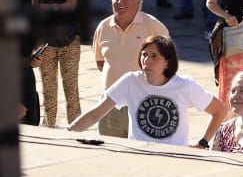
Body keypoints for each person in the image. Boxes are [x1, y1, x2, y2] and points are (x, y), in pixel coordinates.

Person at [70, 35, 228, 147]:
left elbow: (219, 111)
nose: (147, 60)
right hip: (139, 155)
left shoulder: (186, 85)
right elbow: (95, 114)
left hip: (176, 159)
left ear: (167, 62)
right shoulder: (130, 81)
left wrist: (203, 143)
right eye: (144, 55)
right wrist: (67, 133)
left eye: (154, 56)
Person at [90, 0, 170, 138]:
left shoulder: (153, 26)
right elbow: (100, 62)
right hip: (110, 103)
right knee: (110, 150)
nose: (120, 2)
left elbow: (169, 62)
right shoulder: (103, 26)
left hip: (143, 103)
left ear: (138, 3)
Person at [30, 0, 82, 127]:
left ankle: (77, 130)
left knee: (72, 90)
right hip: (46, 44)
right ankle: (50, 129)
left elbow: (72, 7)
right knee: (48, 92)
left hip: (70, 41)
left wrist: (48, 7)